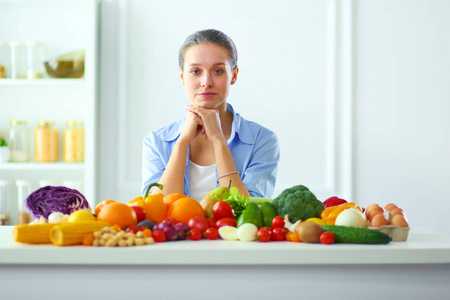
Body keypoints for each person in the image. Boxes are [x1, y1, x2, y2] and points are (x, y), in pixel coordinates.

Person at [142, 29, 280, 201]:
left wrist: (219, 141)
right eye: (195, 71)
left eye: (218, 71)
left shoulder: (263, 140)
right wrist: (182, 143)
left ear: (234, 75)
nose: (206, 82)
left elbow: (249, 210)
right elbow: (157, 211)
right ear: (182, 76)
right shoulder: (156, 142)